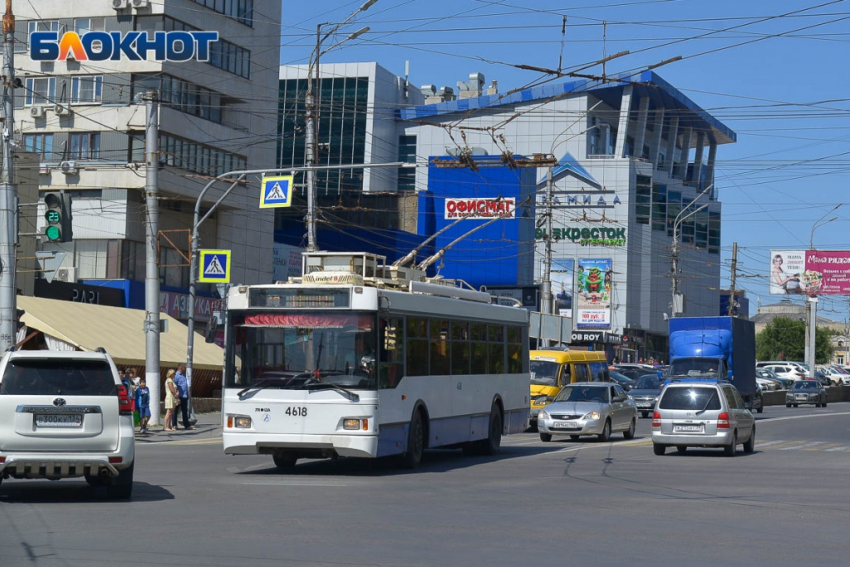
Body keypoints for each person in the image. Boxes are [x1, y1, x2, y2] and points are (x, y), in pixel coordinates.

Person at [174, 363, 193, 430]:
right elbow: (175, 385)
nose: (185, 369)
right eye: (184, 368)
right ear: (180, 368)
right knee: (175, 411)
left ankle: (186, 425)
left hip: (184, 395)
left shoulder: (184, 375)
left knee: (184, 411)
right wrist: (176, 394)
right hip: (179, 396)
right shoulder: (176, 375)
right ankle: (174, 425)